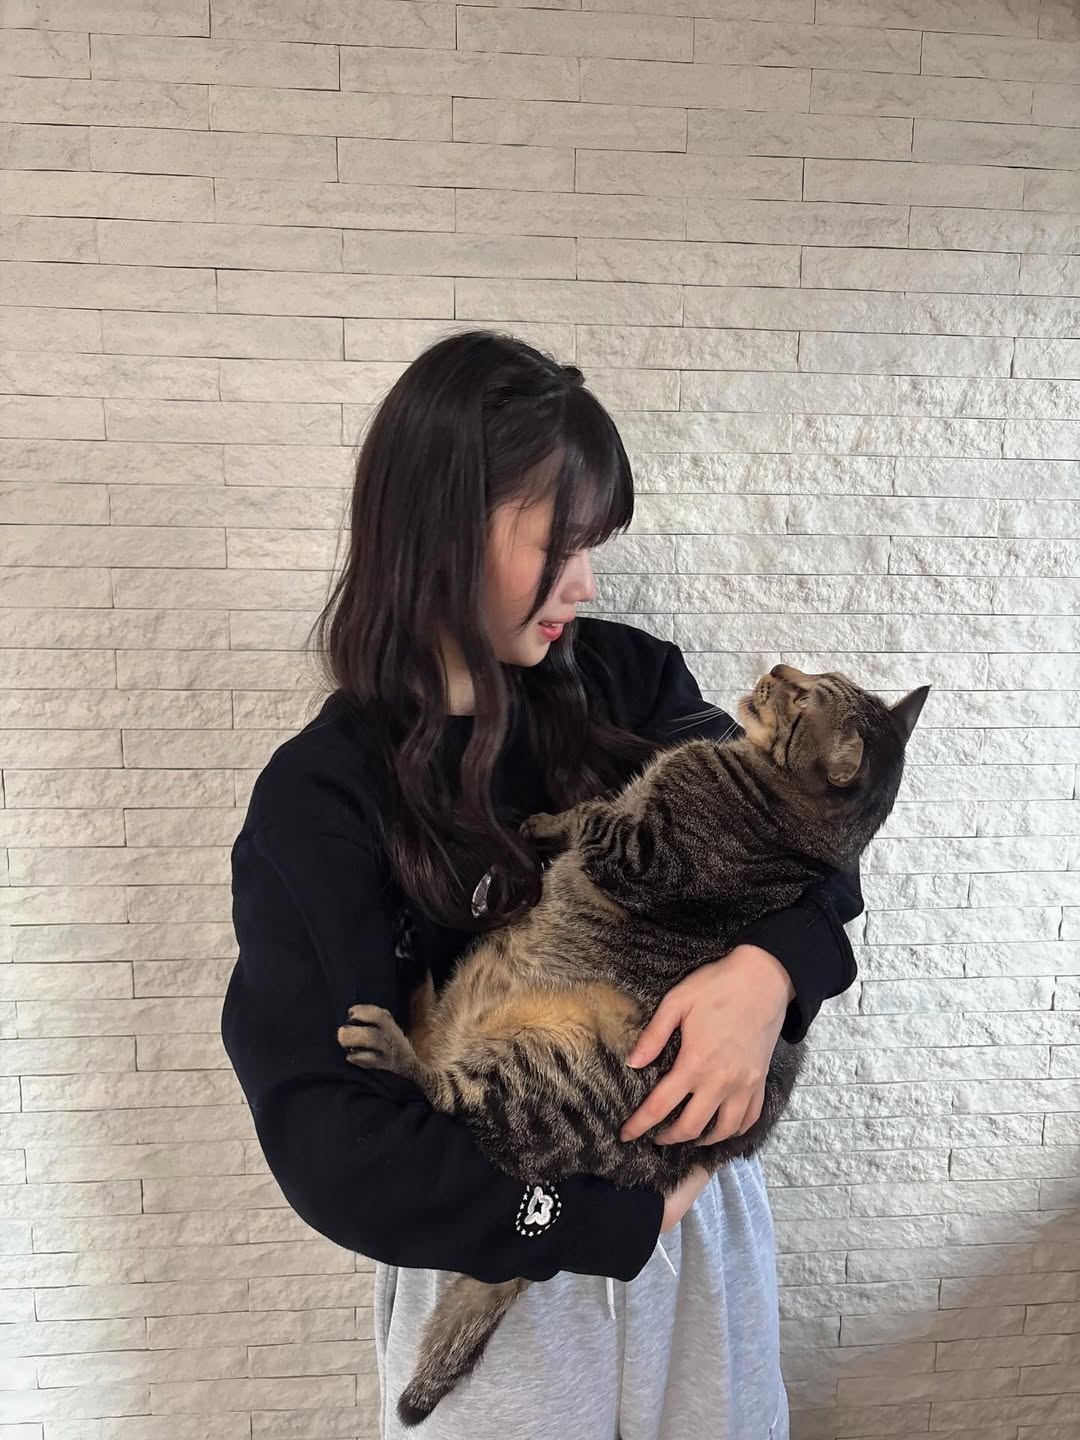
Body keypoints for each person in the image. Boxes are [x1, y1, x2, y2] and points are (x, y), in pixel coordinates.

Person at [220, 329, 862, 1440]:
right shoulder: (321, 802)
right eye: (558, 546)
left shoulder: (633, 685)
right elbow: (333, 1147)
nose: (585, 583)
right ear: (438, 528)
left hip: (697, 1249)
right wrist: (609, 1221)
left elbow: (810, 843)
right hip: (497, 1265)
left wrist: (771, 974)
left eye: (592, 546)